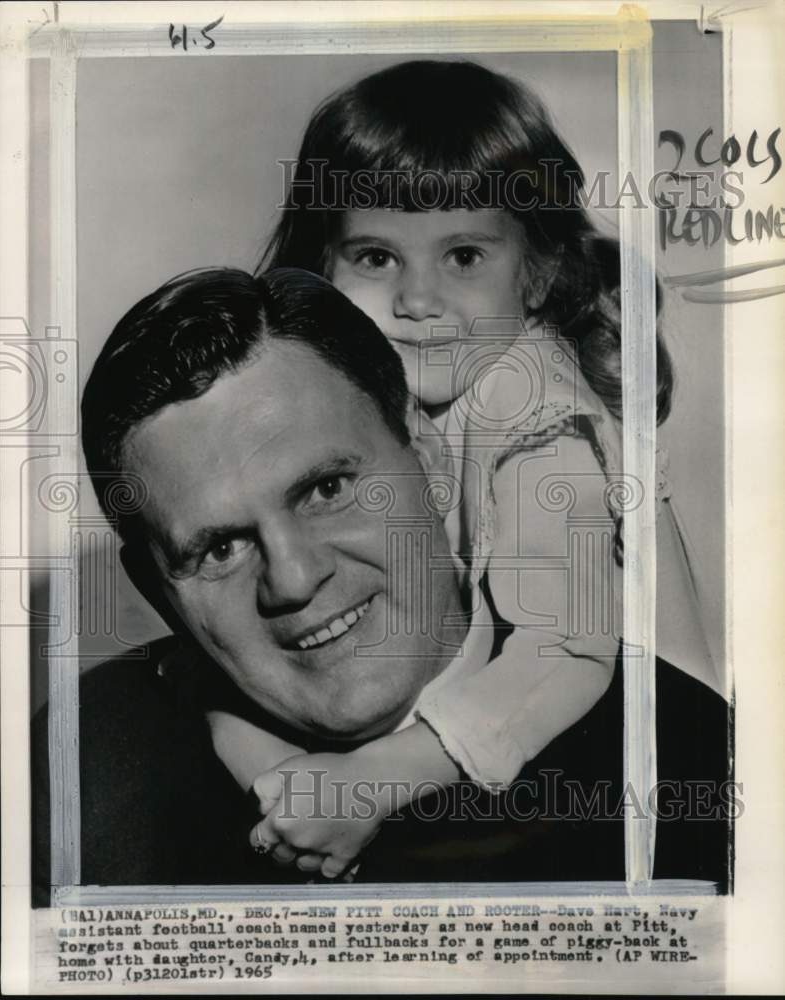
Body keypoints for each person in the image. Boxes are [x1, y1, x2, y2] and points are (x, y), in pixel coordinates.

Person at [33, 266, 730, 903]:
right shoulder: (87, 766)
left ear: (429, 459)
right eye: (220, 548)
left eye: (327, 489)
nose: (294, 580)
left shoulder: (681, 752)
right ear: (156, 591)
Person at [242, 59, 723, 873]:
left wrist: (377, 780)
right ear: (322, 265)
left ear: (537, 272)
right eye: (376, 258)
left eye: (463, 257)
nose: (417, 301)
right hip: (519, 719)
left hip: (648, 754)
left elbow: (564, 651)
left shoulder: (535, 415)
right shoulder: (395, 392)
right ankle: (287, 801)